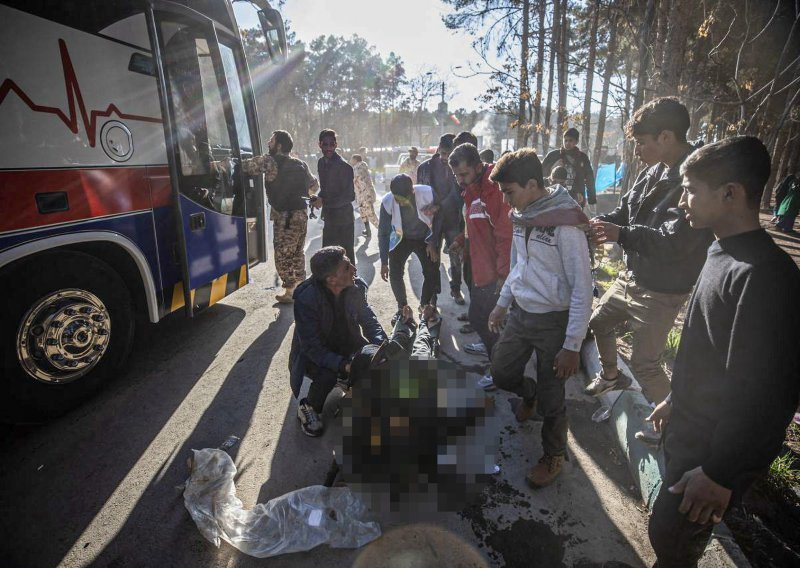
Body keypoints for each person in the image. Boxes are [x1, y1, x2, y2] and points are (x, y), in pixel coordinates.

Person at [646, 135, 800, 567]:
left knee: (673, 543)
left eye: (692, 189)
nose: (683, 199)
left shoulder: (767, 277)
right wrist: (677, 399)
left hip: (711, 458)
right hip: (690, 433)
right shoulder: (721, 249)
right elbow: (707, 346)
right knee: (667, 537)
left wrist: (719, 474)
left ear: (730, 193)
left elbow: (768, 397)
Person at [585, 97, 714, 445]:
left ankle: (674, 429)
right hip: (633, 276)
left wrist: (622, 235)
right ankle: (612, 376)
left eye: (642, 142)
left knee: (646, 364)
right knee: (599, 322)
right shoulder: (652, 172)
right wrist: (599, 224)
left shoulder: (695, 181)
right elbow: (626, 213)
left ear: (667, 137)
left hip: (662, 289)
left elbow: (675, 244)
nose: (638, 149)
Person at [487, 148, 593, 487]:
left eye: (510, 192)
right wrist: (502, 303)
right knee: (501, 372)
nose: (506, 201)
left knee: (553, 399)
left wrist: (572, 345)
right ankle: (526, 392)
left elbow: (581, 288)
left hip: (553, 324)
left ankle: (553, 455)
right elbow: (520, 266)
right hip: (521, 314)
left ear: (532, 184)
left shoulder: (566, 225)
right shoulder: (525, 216)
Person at [289, 246, 387, 436]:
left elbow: (368, 319)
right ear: (331, 279)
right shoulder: (306, 298)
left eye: (350, 263)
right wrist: (344, 366)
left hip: (347, 343)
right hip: (315, 355)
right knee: (328, 375)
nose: (354, 269)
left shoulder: (355, 287)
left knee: (374, 360)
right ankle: (308, 406)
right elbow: (312, 348)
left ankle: (351, 384)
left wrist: (382, 345)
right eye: (347, 268)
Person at [449, 143, 512, 369]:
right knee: (482, 320)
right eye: (456, 175)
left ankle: (499, 370)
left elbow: (506, 235)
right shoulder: (471, 188)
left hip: (495, 272)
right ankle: (490, 350)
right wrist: (459, 241)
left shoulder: (494, 190)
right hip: (480, 268)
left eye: (464, 174)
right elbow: (472, 222)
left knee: (484, 320)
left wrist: (503, 276)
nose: (460, 180)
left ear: (478, 167)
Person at [378, 174, 439, 313]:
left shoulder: (427, 192)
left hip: (425, 237)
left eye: (403, 200)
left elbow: (440, 216)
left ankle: (424, 303)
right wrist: (384, 262)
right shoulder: (387, 202)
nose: (399, 203)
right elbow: (383, 233)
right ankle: (402, 306)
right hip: (401, 239)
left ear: (412, 191)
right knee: (395, 273)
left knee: (432, 271)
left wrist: (432, 242)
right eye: (397, 199)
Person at [418, 134, 466, 305]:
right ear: (438, 148)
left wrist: (439, 206)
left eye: (449, 154)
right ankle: (432, 296)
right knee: (432, 259)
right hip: (432, 222)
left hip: (452, 219)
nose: (446, 158)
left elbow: (458, 194)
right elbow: (420, 193)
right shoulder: (424, 167)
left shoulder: (459, 167)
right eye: (444, 153)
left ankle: (456, 289)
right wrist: (428, 211)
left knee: (455, 257)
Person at [315, 129, 356, 263]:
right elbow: (324, 189)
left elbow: (349, 196)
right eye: (325, 144)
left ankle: (352, 283)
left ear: (336, 145)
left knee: (346, 258)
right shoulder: (321, 163)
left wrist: (323, 201)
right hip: (329, 218)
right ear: (319, 145)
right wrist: (317, 198)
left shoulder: (345, 167)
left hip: (344, 220)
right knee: (327, 259)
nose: (328, 148)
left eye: (331, 144)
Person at [541, 127, 596, 209]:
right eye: (565, 140)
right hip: (553, 197)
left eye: (570, 140)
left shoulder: (582, 158)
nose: (567, 143)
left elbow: (589, 178)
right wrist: (553, 167)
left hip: (576, 197)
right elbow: (540, 173)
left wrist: (591, 199)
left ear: (576, 142)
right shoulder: (553, 155)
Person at [350, 154, 379, 237]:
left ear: (355, 160)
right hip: (364, 193)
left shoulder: (357, 168)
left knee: (370, 214)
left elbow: (354, 179)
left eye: (352, 159)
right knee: (363, 213)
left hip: (364, 194)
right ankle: (368, 230)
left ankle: (382, 230)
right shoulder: (363, 166)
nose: (351, 161)